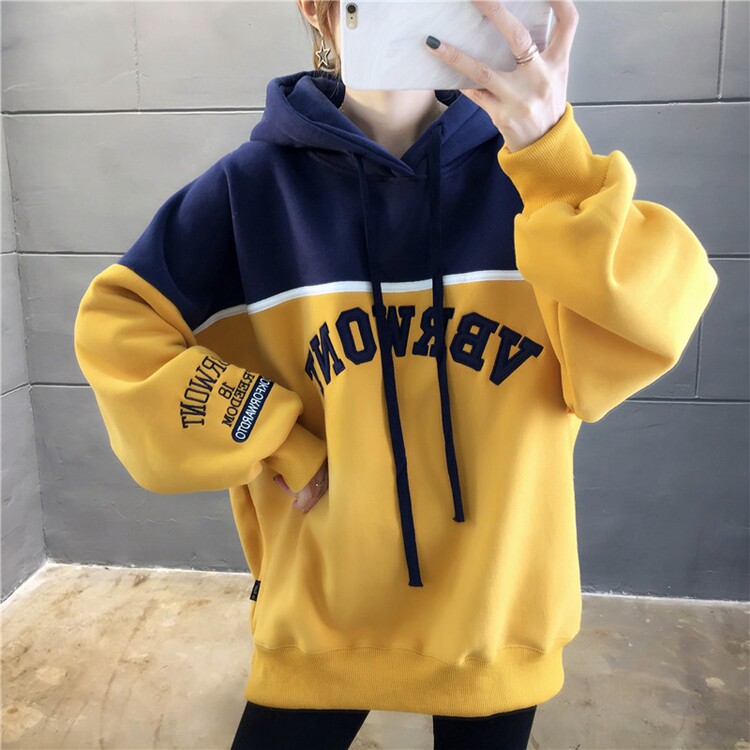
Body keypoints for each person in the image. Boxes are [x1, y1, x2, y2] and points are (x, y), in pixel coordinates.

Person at [73, 0, 719, 748]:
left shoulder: (536, 179)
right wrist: (269, 430)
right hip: (325, 614)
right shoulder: (251, 191)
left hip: (497, 615)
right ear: (320, 12)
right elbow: (117, 328)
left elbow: (656, 318)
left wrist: (555, 159)